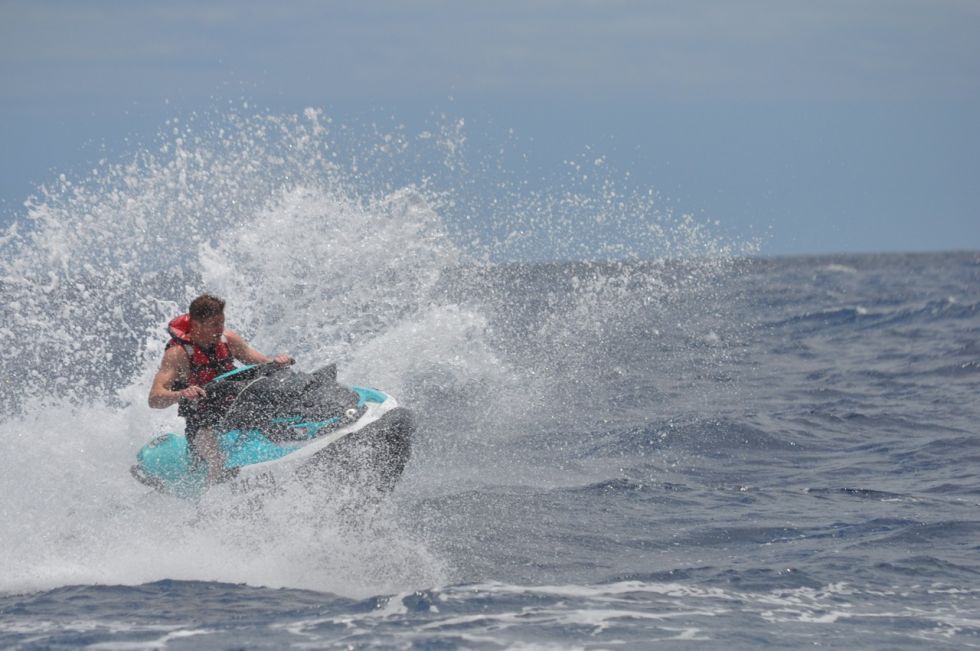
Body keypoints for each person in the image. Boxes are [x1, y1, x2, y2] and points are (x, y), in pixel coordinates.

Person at [148, 294, 292, 484]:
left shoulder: (228, 340)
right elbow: (155, 398)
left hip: (235, 412)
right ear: (196, 325)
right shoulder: (177, 354)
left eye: (221, 323)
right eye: (214, 325)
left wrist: (278, 361)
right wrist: (182, 393)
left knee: (281, 423)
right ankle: (214, 501)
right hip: (202, 423)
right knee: (218, 459)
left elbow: (262, 362)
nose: (220, 329)